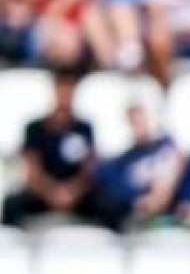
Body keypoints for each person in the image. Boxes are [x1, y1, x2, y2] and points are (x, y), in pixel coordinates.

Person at [2, 69, 124, 231]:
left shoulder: (84, 128)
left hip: (77, 194)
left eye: (69, 92)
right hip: (44, 192)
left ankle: (113, 251)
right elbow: (32, 168)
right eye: (62, 91)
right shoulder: (35, 128)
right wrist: (52, 193)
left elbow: (89, 168)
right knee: (12, 205)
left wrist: (72, 192)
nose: (65, 97)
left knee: (111, 205)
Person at [93, 99, 190, 231]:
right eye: (135, 122)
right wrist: (141, 201)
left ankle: (183, 211)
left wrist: (163, 191)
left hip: (169, 196)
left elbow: (177, 164)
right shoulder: (125, 159)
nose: (140, 126)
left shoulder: (166, 146)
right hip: (140, 204)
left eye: (142, 120)